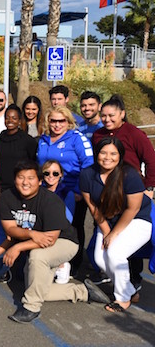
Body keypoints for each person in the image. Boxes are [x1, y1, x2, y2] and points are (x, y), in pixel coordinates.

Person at [0, 161, 110, 324]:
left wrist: (19, 246)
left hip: (64, 242)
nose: (25, 182)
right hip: (37, 240)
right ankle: (82, 292)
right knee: (33, 288)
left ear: (39, 181)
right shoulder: (8, 196)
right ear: (15, 179)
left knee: (37, 257)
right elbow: (10, 228)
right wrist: (32, 234)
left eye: (30, 178)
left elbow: (50, 239)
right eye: (21, 177)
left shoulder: (50, 200)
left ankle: (31, 308)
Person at [80, 137, 153, 312]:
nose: (107, 157)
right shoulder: (87, 174)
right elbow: (93, 207)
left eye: (113, 153)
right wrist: (106, 230)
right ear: (97, 153)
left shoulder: (130, 175)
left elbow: (132, 209)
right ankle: (130, 290)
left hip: (137, 219)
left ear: (120, 156)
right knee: (100, 258)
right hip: (106, 220)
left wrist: (113, 234)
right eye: (103, 152)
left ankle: (122, 298)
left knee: (115, 253)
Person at [92, 95, 155, 294]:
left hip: (132, 193)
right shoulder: (98, 135)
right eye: (103, 116)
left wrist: (150, 188)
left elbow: (151, 160)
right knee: (104, 237)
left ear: (122, 114)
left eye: (111, 115)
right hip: (106, 195)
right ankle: (118, 279)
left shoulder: (134, 133)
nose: (107, 119)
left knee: (129, 240)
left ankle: (134, 279)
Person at [37, 106, 93, 273]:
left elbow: (89, 165)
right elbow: (40, 164)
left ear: (69, 122)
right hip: (48, 190)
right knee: (49, 225)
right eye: (53, 120)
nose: (57, 124)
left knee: (73, 227)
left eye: (61, 121)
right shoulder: (43, 139)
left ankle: (74, 262)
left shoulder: (77, 138)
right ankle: (52, 260)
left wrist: (79, 190)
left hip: (72, 191)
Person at [0, 105, 38, 191]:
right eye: (7, 118)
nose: (10, 121)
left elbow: (33, 161)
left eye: (14, 118)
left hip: (22, 187)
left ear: (19, 121)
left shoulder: (28, 140)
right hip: (2, 187)